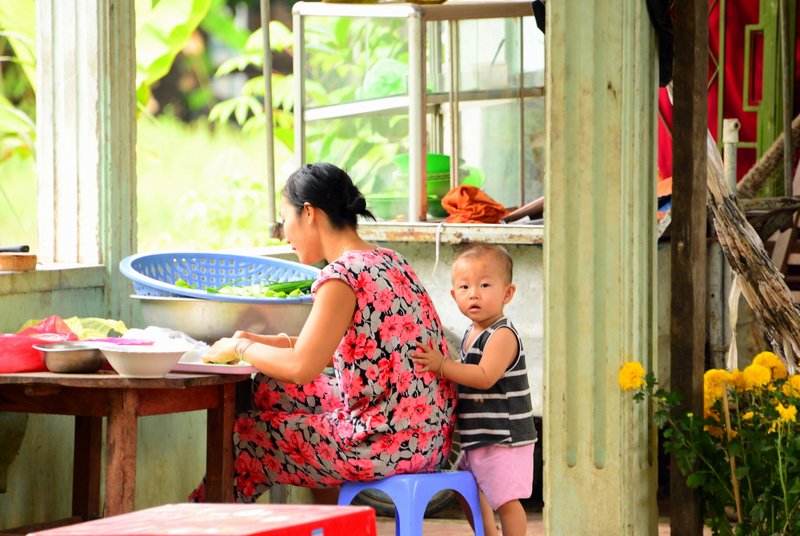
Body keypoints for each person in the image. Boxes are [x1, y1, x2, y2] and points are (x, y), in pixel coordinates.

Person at [193, 162, 457, 503]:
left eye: (284, 219)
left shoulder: (341, 275)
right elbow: (331, 345)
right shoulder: (389, 260)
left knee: (246, 440)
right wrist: (261, 341)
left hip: (387, 443)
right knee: (272, 389)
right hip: (430, 435)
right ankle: (328, 522)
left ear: (308, 213)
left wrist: (241, 347)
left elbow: (304, 368)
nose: (284, 234)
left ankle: (197, 521)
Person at [412, 244, 537, 536]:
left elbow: (483, 376)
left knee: (506, 500)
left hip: (504, 437)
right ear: (454, 295)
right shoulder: (471, 332)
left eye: (484, 285)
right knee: (467, 489)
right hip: (480, 436)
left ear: (507, 293)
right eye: (465, 287)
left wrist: (442, 365)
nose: (474, 294)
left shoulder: (502, 334)